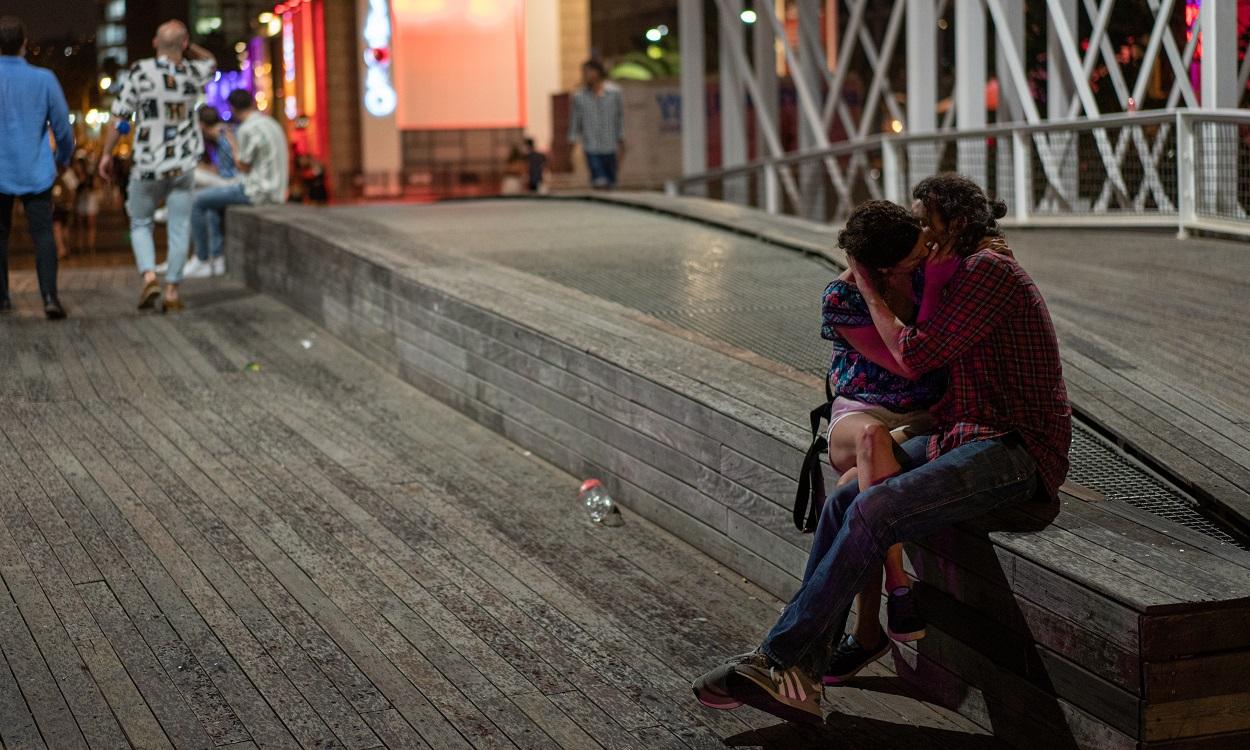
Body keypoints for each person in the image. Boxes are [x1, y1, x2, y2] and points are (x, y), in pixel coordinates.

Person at [693, 174, 1072, 725]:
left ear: (955, 224)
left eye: (924, 220)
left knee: (875, 505)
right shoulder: (962, 270)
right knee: (847, 497)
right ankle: (808, 673)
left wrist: (870, 285)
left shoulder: (989, 272)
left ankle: (777, 658)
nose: (918, 231)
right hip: (962, 437)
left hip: (1015, 450)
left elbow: (915, 356)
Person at [816, 200, 960, 683]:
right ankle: (898, 584)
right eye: (918, 251)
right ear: (884, 264)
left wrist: (934, 278)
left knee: (853, 490)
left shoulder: (928, 274)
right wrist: (931, 283)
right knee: (873, 438)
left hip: (922, 417)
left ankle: (868, 632)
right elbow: (907, 363)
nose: (928, 249)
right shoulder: (843, 296)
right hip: (862, 413)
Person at [99, 20, 217, 313]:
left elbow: (119, 117)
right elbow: (210, 61)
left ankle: (150, 276)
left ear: (155, 43)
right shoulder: (192, 73)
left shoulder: (141, 71)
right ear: (184, 44)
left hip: (148, 165)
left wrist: (106, 154)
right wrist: (188, 47)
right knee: (179, 226)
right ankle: (173, 291)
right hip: (183, 165)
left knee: (140, 223)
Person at [0, 15, 74, 318]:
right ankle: (49, 298)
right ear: (24, 44)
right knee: (43, 234)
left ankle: (2, 299)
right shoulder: (44, 79)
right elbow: (63, 128)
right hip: (36, 170)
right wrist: (62, 159)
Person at [189, 88, 288, 276]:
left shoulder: (247, 129)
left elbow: (243, 166)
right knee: (210, 203)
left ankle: (202, 258)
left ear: (232, 109)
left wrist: (232, 140)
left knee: (197, 200)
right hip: (277, 188)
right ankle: (216, 259)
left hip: (257, 191)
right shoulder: (271, 123)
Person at [568, 59, 624, 189]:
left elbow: (619, 118)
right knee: (598, 180)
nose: (585, 75)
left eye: (588, 72)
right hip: (591, 145)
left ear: (597, 72)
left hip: (610, 144)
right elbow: (575, 121)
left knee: (611, 180)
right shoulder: (579, 96)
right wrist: (572, 141)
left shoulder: (614, 93)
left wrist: (621, 138)